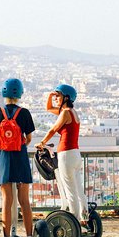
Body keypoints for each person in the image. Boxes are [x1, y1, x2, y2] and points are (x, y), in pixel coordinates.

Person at [0, 78, 35, 237]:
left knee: (7, 200)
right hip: (20, 157)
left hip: (4, 159)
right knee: (24, 201)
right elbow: (29, 138)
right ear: (20, 93)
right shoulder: (24, 113)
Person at [35, 84, 88, 224]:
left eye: (58, 96)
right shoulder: (72, 112)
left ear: (66, 97)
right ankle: (85, 218)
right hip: (75, 154)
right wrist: (50, 96)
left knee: (70, 191)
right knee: (78, 189)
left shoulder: (65, 113)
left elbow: (53, 130)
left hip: (66, 155)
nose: (56, 98)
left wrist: (42, 142)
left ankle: (74, 221)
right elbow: (48, 108)